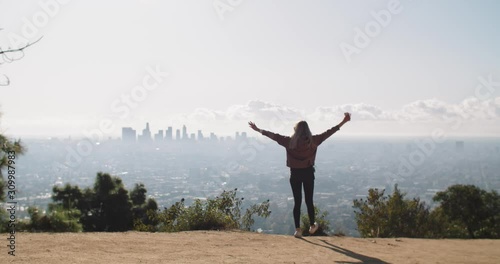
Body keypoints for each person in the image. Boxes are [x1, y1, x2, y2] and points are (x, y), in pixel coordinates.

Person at [248, 113, 351, 238]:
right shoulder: (314, 141)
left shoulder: (289, 142)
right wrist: (343, 121)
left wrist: (258, 129)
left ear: (295, 130)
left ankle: (298, 229)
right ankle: (312, 225)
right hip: (308, 173)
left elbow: (273, 136)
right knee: (309, 201)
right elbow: (329, 132)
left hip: (295, 174)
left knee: (297, 202)